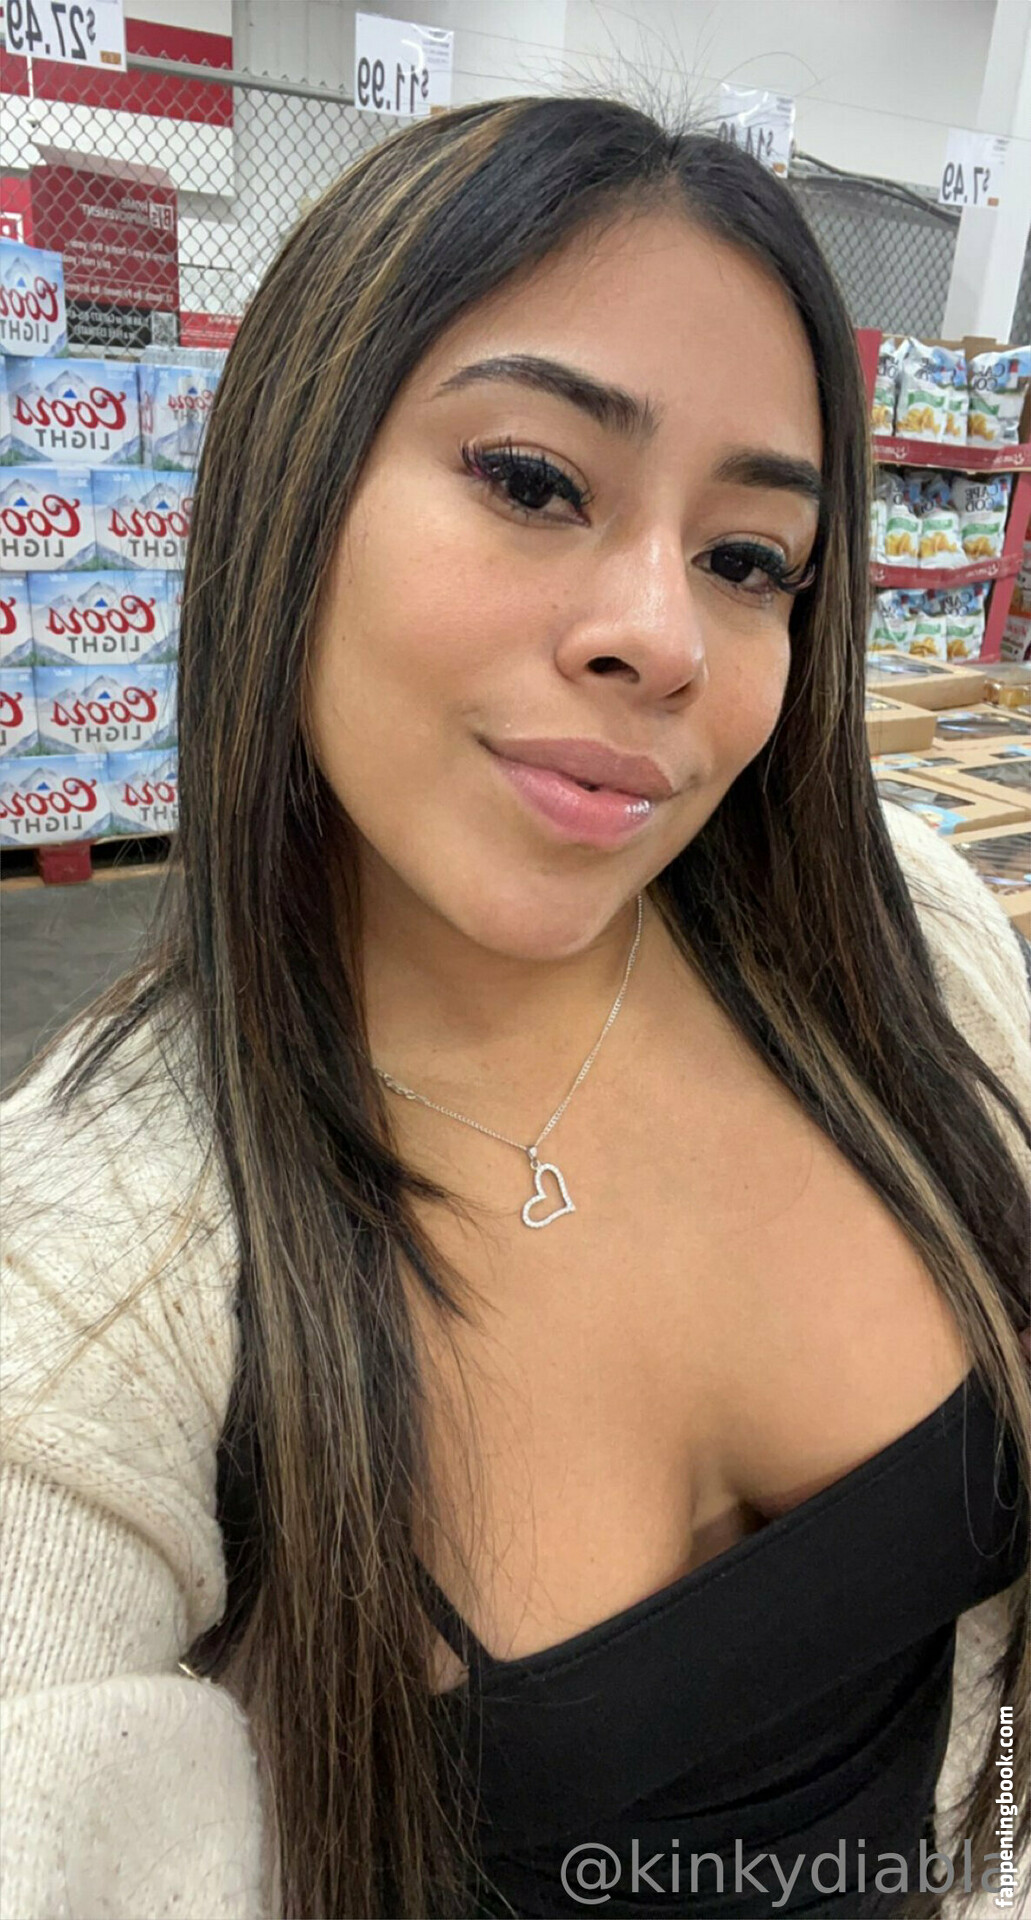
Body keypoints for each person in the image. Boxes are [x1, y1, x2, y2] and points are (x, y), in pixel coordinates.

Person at [1, 94, 1028, 1920]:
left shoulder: (903, 938)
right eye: (536, 483)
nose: (666, 637)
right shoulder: (92, 1277)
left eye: (749, 559)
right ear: (293, 479)